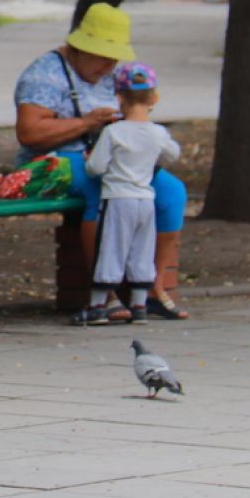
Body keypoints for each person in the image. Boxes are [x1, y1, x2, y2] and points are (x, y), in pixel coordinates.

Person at [11, 2, 190, 319]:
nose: (108, 66)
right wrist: (87, 123)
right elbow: (30, 132)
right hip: (56, 162)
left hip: (110, 157)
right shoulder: (45, 74)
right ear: (78, 47)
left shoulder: (114, 76)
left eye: (114, 59)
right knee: (102, 190)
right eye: (101, 57)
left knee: (171, 192)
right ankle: (104, 293)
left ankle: (149, 287)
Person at [77, 63, 179, 325]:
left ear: (119, 97)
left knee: (110, 248)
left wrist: (90, 159)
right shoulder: (158, 133)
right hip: (145, 199)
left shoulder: (113, 132)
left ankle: (99, 304)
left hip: (117, 199)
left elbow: (95, 168)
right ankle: (139, 304)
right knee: (141, 250)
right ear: (154, 98)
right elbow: (174, 154)